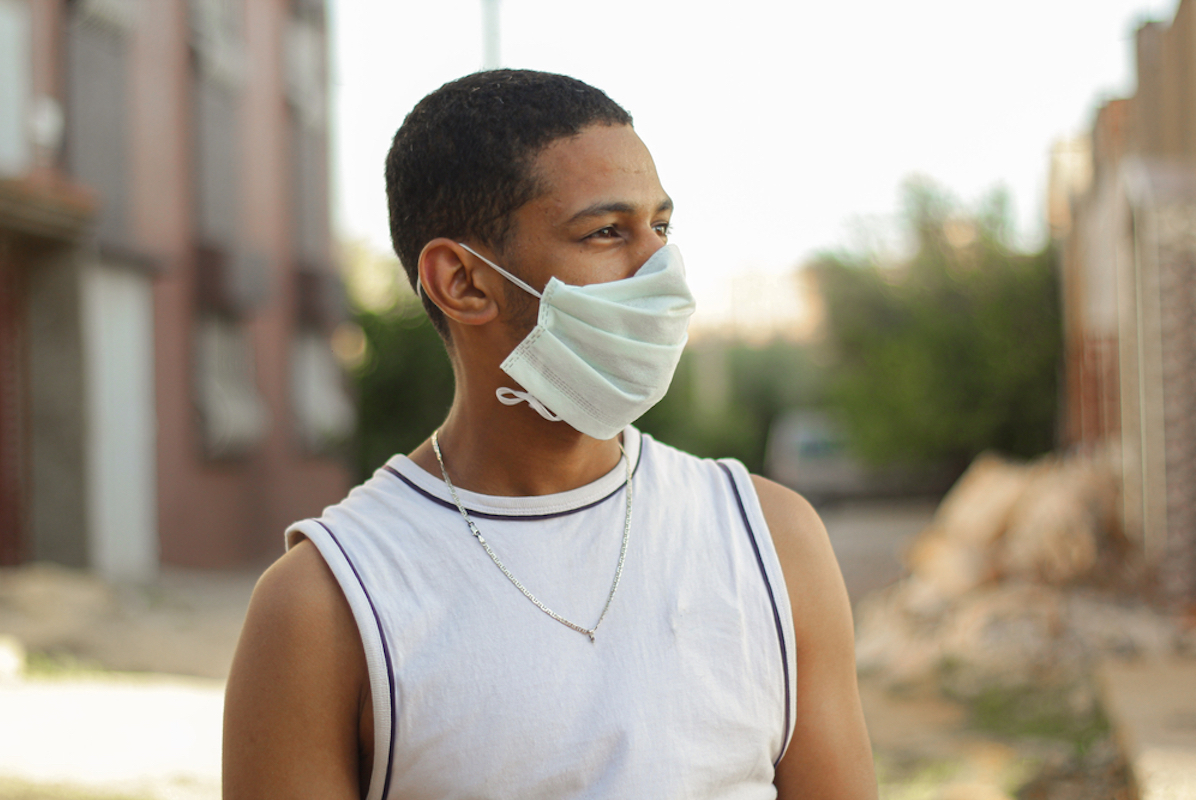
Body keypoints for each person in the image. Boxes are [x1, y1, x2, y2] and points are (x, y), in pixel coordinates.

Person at [222, 69, 877, 800]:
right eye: (606, 233)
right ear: (463, 282)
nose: (662, 272)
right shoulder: (329, 603)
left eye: (661, 227)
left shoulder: (771, 540)